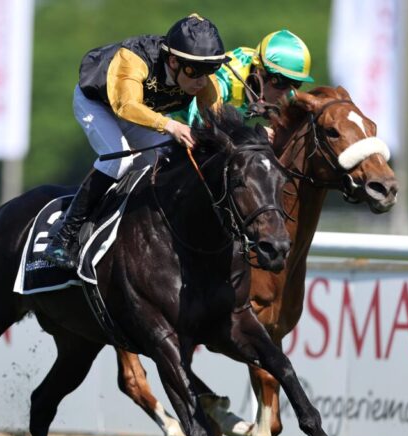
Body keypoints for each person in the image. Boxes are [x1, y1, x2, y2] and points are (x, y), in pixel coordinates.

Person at [43, 14, 229, 270]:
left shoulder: (202, 79)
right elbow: (126, 106)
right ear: (173, 61)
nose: (202, 80)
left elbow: (216, 124)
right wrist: (170, 124)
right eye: (195, 71)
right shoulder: (134, 59)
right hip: (99, 105)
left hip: (141, 111)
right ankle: (63, 236)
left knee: (168, 158)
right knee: (119, 160)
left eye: (210, 70)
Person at [179, 29, 314, 132]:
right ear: (260, 71)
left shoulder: (284, 92)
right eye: (280, 81)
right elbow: (201, 127)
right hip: (171, 123)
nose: (287, 92)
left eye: (296, 84)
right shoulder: (224, 79)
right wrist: (255, 134)